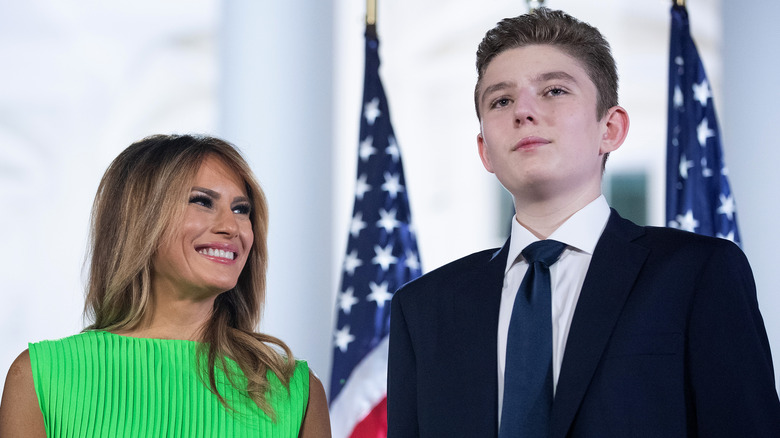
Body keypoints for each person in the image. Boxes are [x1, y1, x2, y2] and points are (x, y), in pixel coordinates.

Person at [387, 7, 780, 437]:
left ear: (610, 128)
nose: (524, 111)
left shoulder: (699, 274)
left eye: (554, 90)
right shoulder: (423, 309)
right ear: (485, 150)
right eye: (501, 100)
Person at [0, 134, 331, 437]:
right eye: (202, 201)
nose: (232, 227)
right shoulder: (40, 377)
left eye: (241, 209)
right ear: (139, 219)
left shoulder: (295, 390)